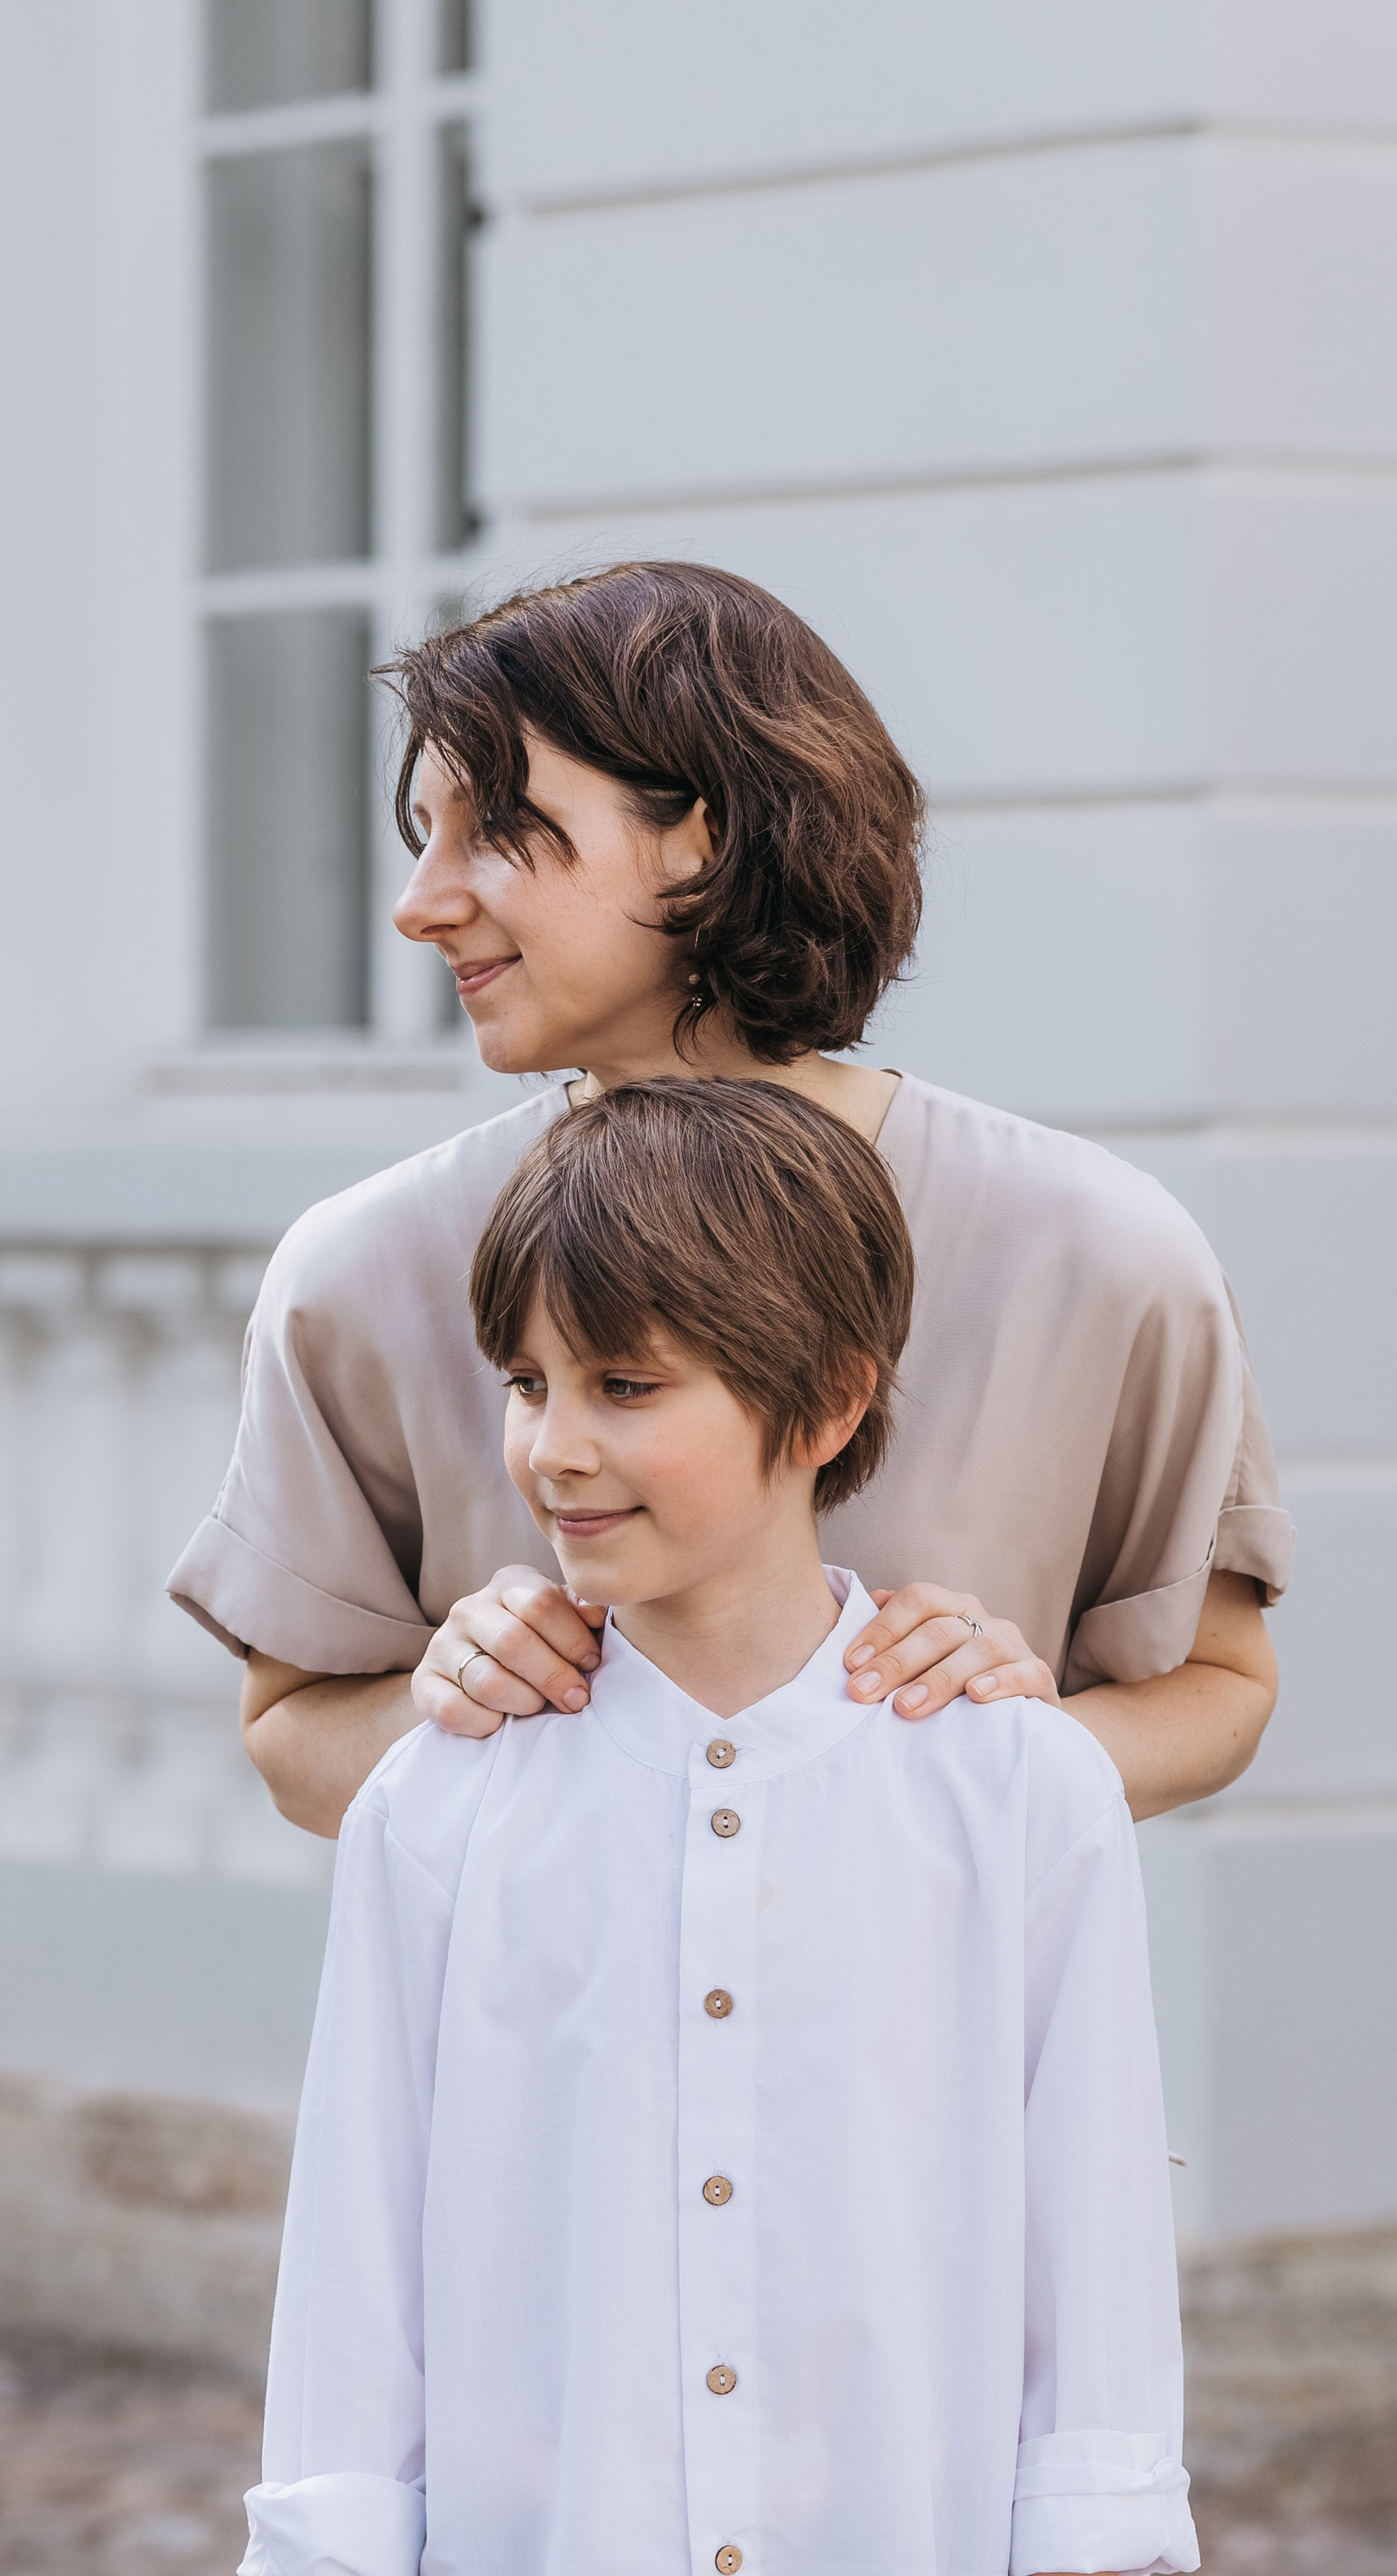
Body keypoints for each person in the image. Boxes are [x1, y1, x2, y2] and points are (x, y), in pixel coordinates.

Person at [168, 561, 1289, 1837]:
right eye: (420, 840)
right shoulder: (359, 1274)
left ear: (701, 835)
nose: (419, 907)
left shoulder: (1104, 1258)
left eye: (491, 831)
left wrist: (1011, 1740)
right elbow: (293, 1729)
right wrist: (444, 1702)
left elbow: (1220, 1691)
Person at [244, 1078, 1198, 2576]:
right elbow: (357, 2273)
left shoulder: (1018, 1791)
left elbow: (1085, 2253)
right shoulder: (437, 1805)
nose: (553, 1448)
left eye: (624, 1386)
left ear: (824, 1400)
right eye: (525, 1381)